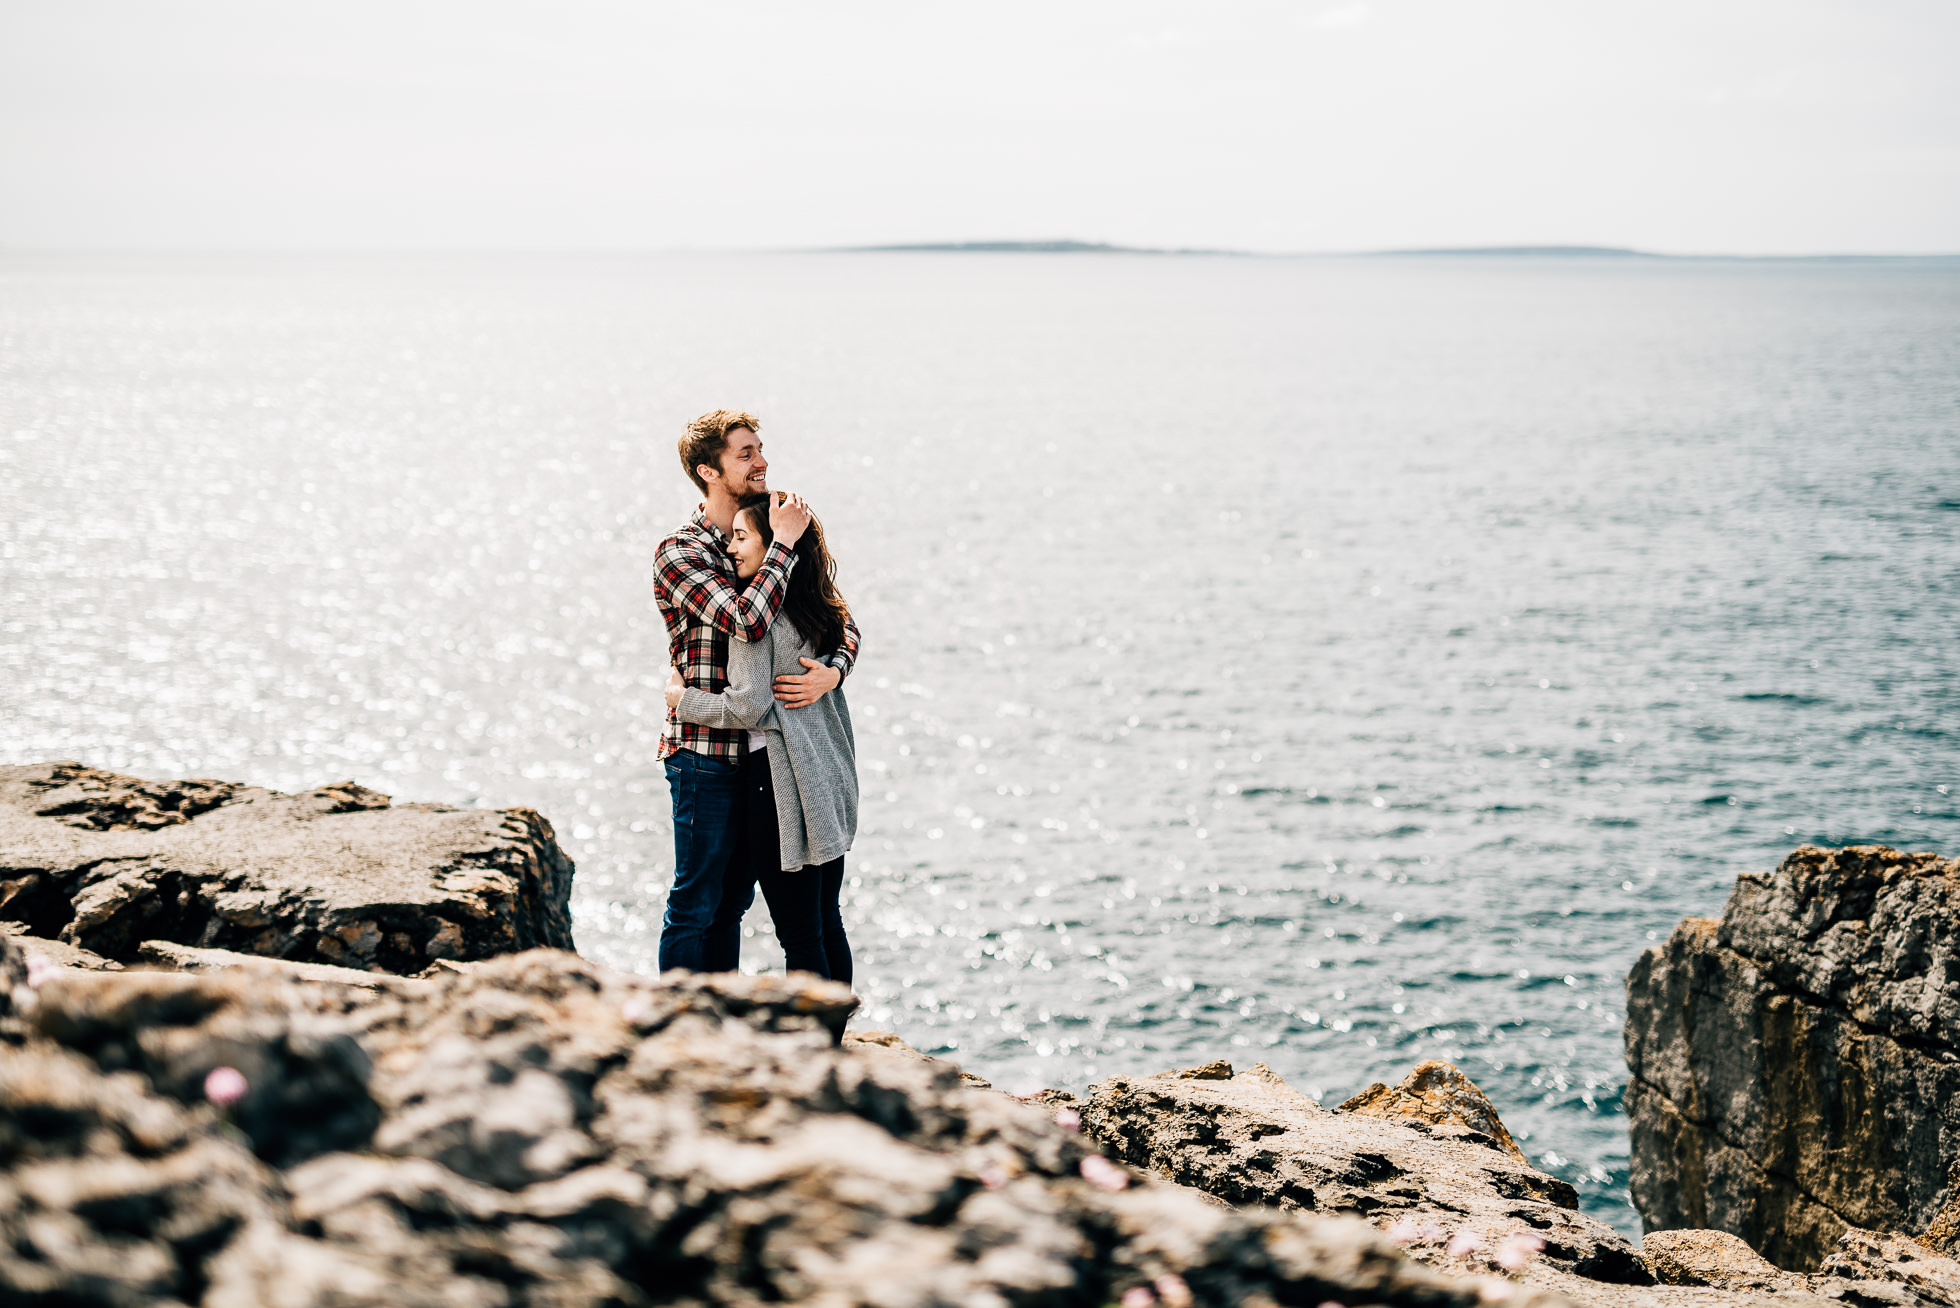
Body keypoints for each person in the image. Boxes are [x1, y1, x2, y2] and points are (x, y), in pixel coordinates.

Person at [652, 410, 859, 973]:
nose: (761, 461)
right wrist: (781, 549)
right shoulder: (684, 552)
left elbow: (835, 614)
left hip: (768, 765)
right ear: (707, 471)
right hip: (705, 754)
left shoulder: (767, 530)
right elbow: (747, 621)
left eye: (760, 449)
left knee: (738, 906)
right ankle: (684, 1033)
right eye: (745, 453)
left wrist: (834, 669)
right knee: (699, 905)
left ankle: (725, 1031)